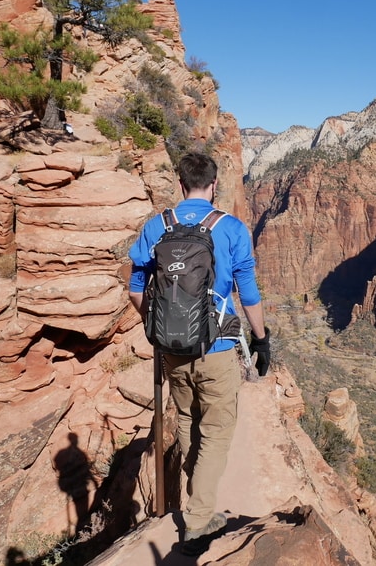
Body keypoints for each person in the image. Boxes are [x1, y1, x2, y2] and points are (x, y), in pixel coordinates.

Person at [127, 152, 270, 556]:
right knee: (218, 430)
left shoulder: (157, 226)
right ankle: (199, 518)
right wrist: (261, 339)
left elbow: (137, 288)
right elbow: (248, 293)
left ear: (180, 183)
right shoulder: (231, 228)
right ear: (214, 185)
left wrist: (156, 327)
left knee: (189, 420)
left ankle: (197, 495)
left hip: (171, 350)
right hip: (217, 349)